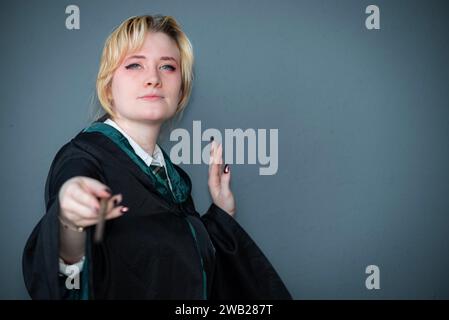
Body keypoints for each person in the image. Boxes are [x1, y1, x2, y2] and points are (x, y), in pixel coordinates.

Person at [22, 14, 292, 300]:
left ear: (182, 89)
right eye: (135, 65)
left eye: (167, 67)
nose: (153, 79)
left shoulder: (171, 177)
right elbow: (66, 274)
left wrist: (222, 216)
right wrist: (69, 223)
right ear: (108, 86)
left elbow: (180, 269)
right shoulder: (83, 160)